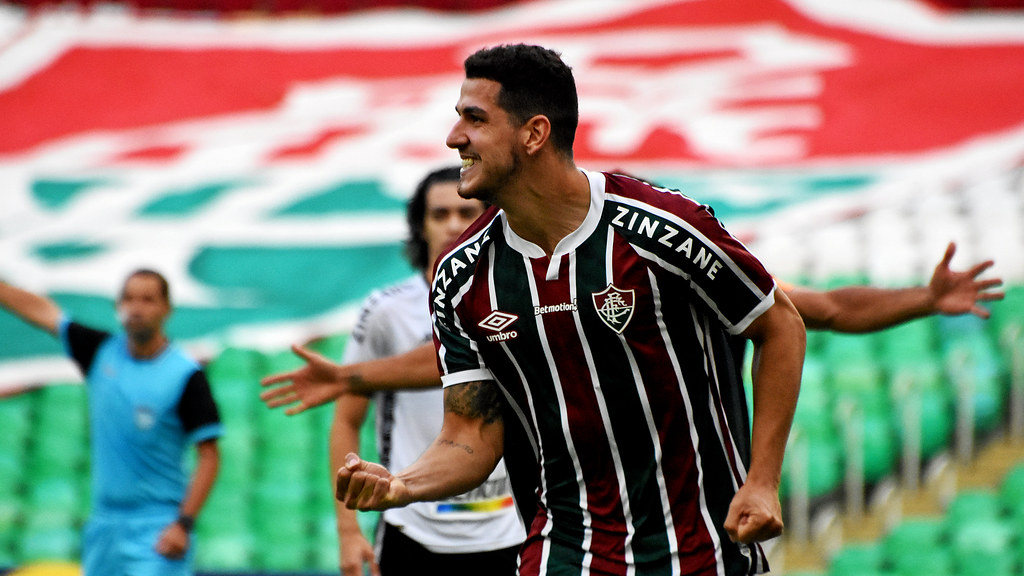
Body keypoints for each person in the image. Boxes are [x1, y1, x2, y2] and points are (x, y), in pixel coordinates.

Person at [329, 43, 805, 576]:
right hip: (564, 551)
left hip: (703, 550)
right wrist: (401, 485)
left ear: (534, 134)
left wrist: (762, 481)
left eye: (475, 119)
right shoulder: (461, 276)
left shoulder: (663, 229)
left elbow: (781, 323)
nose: (453, 137)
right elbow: (470, 435)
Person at [330, 166, 524, 576]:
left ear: (491, 219)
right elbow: (346, 419)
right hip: (412, 525)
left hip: (512, 527)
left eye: (465, 212)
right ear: (420, 226)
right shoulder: (385, 310)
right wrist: (348, 531)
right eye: (439, 214)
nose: (453, 224)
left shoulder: (520, 298)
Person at [0, 270, 222, 576]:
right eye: (129, 298)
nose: (137, 308)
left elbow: (209, 454)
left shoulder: (185, 374)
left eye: (148, 299)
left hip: (157, 528)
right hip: (104, 528)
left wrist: (184, 522)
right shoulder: (101, 354)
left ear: (166, 309)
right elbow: (44, 312)